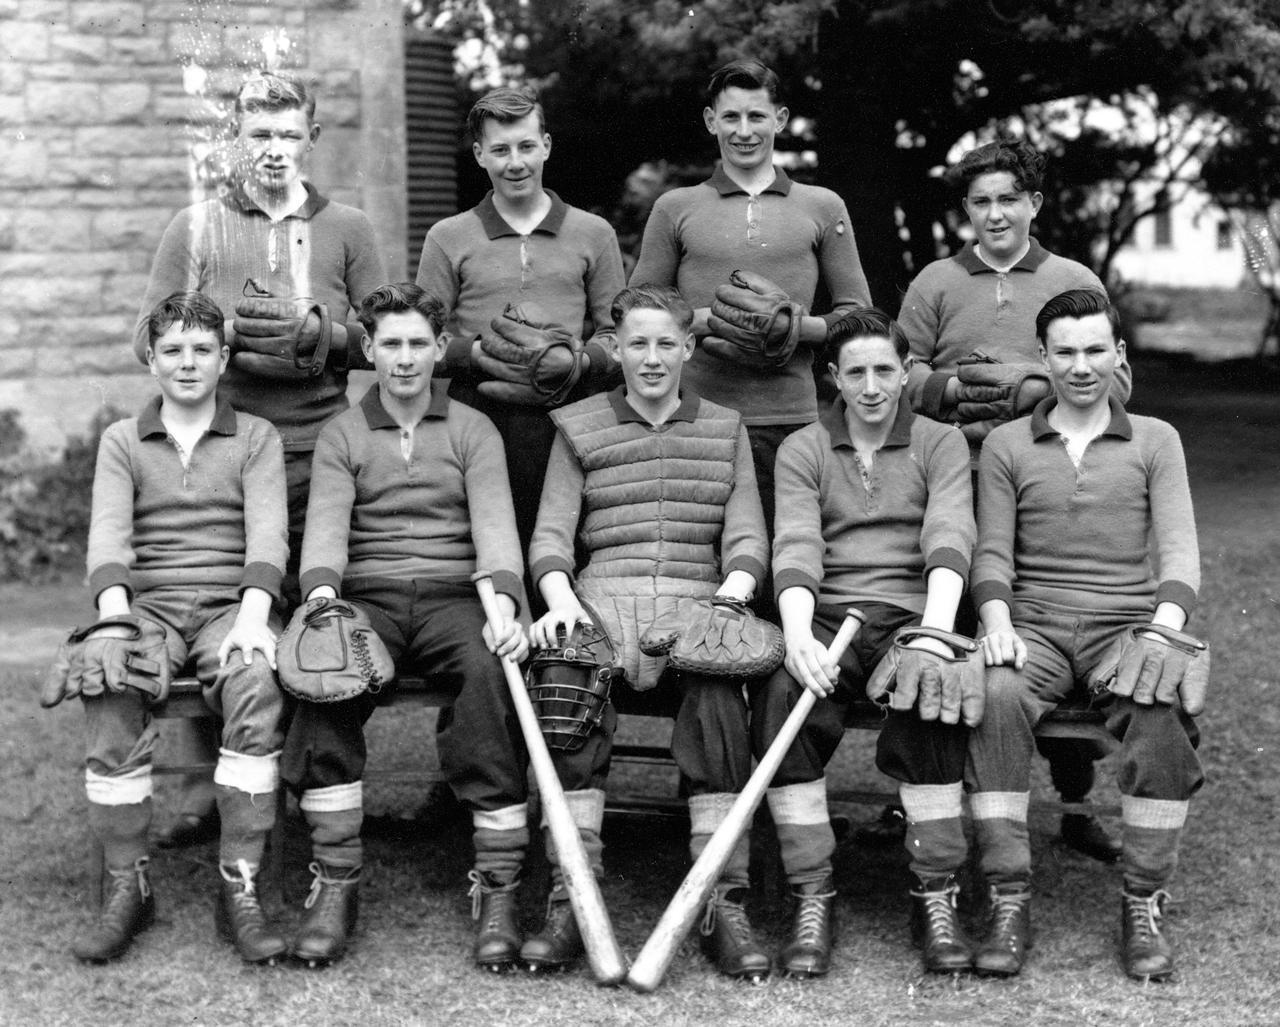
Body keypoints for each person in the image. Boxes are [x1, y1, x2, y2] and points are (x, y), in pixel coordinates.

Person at [133, 70, 387, 848]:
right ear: (234, 141)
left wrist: (324, 336)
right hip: (226, 450)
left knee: (310, 613)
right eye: (257, 134)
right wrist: (236, 337)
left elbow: (382, 337)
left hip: (321, 452)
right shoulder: (196, 226)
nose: (273, 150)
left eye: (287, 134)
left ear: (312, 138)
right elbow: (151, 333)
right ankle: (214, 788)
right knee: (224, 612)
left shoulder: (350, 226)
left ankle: (316, 786)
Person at [279, 282, 531, 969]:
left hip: (458, 595)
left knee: (488, 675)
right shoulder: (344, 431)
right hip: (372, 597)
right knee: (326, 674)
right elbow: (326, 532)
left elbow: (496, 531)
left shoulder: (473, 428)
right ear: (368, 349)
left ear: (440, 348)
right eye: (391, 343)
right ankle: (335, 882)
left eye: (419, 342)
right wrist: (323, 599)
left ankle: (499, 884)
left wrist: (504, 603)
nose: (406, 357)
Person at [892, 139, 1130, 859]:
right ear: (966, 209)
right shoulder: (935, 281)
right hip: (952, 475)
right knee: (953, 623)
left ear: (1034, 202)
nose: (995, 214)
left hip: (1047, 480)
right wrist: (953, 389)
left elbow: (1118, 386)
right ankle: (925, 795)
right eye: (981, 202)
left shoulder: (1072, 277)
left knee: (1047, 618)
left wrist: (1035, 382)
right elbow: (896, 374)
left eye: (1008, 199)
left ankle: (1075, 797)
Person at [526, 284, 769, 979]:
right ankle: (573, 888)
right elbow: (550, 534)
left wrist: (730, 599)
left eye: (667, 342)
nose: (653, 357)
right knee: (566, 676)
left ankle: (722, 895)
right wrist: (556, 594)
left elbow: (747, 536)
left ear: (688, 347)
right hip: (603, 597)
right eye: (638, 342)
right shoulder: (578, 424)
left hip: (700, 596)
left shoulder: (725, 427)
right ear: (617, 347)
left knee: (723, 686)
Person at [967, 288, 1204, 980]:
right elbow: (992, 554)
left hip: (1123, 624)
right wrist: (998, 620)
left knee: (1160, 709)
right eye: (1064, 352)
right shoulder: (1009, 443)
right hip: (1033, 626)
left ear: (1118, 354)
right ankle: (1009, 896)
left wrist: (1161, 632)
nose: (1080, 366)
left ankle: (1142, 898)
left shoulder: (1157, 439)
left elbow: (1181, 554)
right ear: (1043, 358)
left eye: (1095, 349)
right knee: (995, 694)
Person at [749, 310, 977, 977]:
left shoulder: (942, 442)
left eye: (885, 370)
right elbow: (795, 544)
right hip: (827, 615)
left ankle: (935, 892)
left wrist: (936, 635)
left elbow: (949, 536)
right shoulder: (805, 447)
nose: (873, 386)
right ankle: (811, 892)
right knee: (784, 694)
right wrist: (796, 637)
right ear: (833, 378)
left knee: (932, 694)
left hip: (914, 616)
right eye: (856, 372)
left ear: (907, 372)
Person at [63, 292, 288, 964]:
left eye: (200, 350)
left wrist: (253, 614)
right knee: (108, 682)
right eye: (172, 351)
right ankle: (126, 882)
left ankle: (239, 883)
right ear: (152, 360)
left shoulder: (255, 436)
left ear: (223, 359)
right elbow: (108, 536)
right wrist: (113, 620)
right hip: (148, 607)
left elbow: (268, 534)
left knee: (254, 679)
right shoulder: (122, 441)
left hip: (230, 604)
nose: (187, 363)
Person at [630, 58, 872, 532]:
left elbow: (858, 316)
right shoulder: (675, 207)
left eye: (757, 116)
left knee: (785, 557)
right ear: (710, 121)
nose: (744, 131)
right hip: (692, 417)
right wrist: (708, 320)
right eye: (731, 117)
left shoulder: (822, 205)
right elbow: (637, 311)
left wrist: (795, 330)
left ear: (779, 120)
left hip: (791, 420)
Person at [415, 85, 626, 552]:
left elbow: (618, 332)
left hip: (567, 410)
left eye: (527, 146)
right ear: (478, 155)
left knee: (559, 542)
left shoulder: (593, 233)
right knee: (485, 541)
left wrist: (580, 362)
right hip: (478, 411)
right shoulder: (448, 236)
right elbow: (421, 336)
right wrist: (477, 355)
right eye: (501, 150)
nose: (516, 162)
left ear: (546, 146)